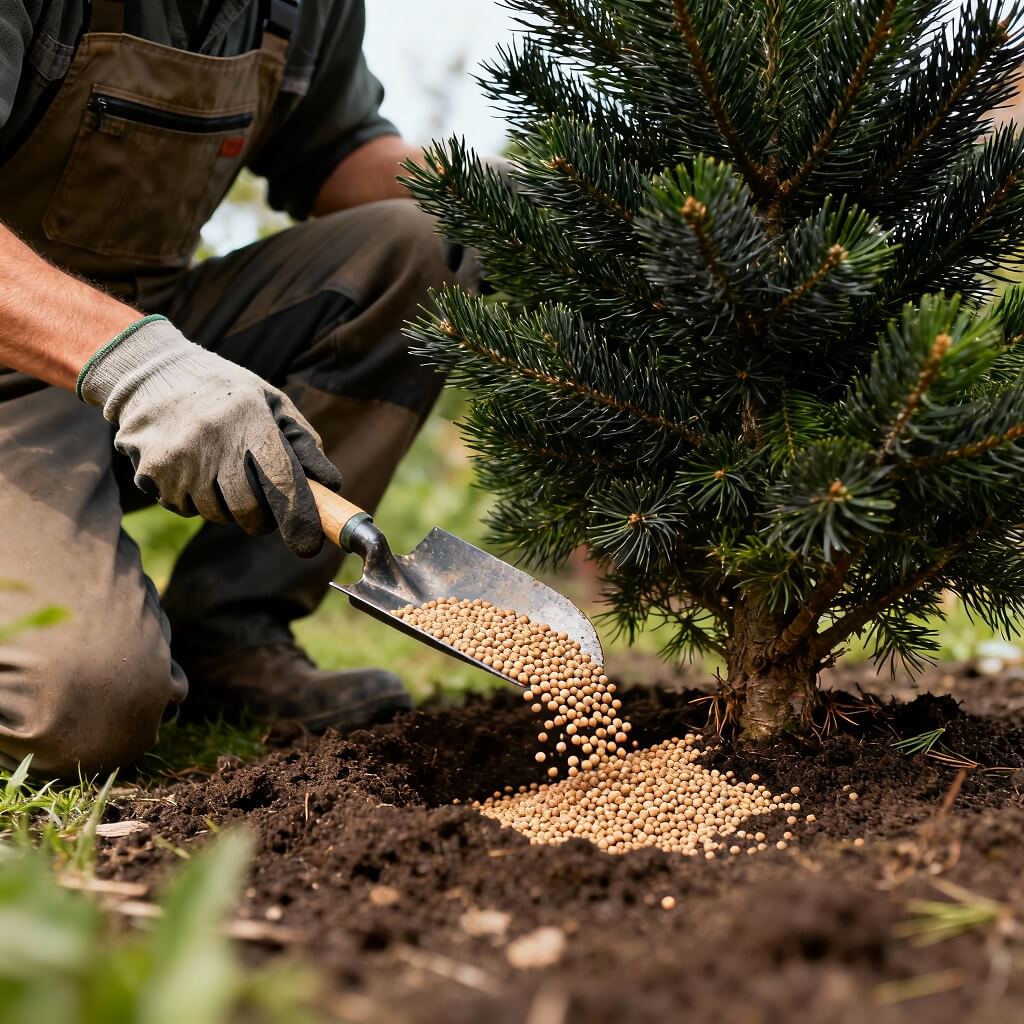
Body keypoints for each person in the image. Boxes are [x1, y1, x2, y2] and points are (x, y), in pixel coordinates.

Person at [0, 0, 480, 776]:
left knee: (428, 243)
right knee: (84, 700)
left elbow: (337, 152)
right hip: (26, 351)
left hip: (158, 332)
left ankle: (234, 631)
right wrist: (136, 363)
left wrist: (512, 210)